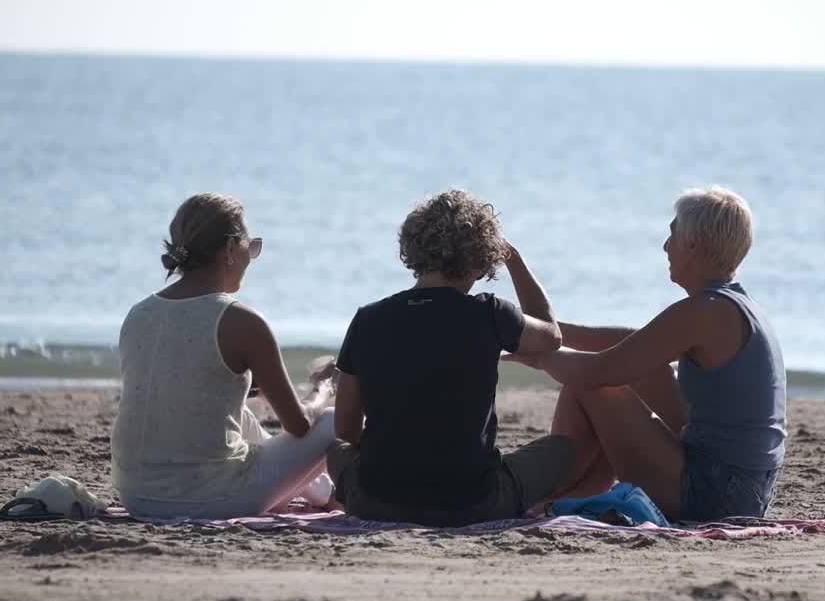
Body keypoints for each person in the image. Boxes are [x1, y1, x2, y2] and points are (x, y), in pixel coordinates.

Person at [507, 186, 786, 521]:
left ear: (693, 244)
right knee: (644, 370)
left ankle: (550, 490)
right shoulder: (733, 305)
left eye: (673, 235)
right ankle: (582, 490)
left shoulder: (705, 311)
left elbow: (596, 372)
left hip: (715, 493)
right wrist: (549, 331)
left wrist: (533, 354)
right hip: (744, 490)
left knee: (591, 386)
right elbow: (634, 344)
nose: (666, 247)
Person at [328, 189, 573, 527]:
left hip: (374, 501)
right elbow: (551, 336)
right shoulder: (489, 313)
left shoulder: (368, 318)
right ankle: (540, 505)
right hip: (473, 503)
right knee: (563, 449)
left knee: (335, 451)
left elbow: (346, 430)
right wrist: (514, 258)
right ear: (484, 256)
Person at [111, 193, 335, 519]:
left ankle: (319, 489)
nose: (251, 257)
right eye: (251, 247)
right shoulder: (242, 321)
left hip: (135, 494)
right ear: (230, 248)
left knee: (239, 414)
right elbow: (300, 425)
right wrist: (324, 388)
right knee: (330, 422)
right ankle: (324, 491)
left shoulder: (138, 313)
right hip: (207, 498)